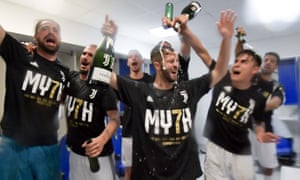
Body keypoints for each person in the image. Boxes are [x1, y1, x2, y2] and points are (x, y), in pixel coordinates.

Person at [103, 9, 236, 179]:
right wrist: (109, 40)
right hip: (150, 174)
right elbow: (103, 72)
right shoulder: (140, 91)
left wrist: (226, 39)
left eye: (177, 61)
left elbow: (220, 72)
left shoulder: (188, 89)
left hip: (184, 173)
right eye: (171, 61)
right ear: (157, 65)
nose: (176, 65)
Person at [121, 17, 193, 180]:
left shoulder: (180, 70)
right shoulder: (152, 84)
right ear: (157, 63)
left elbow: (186, 48)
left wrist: (182, 31)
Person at [0, 19, 69, 179]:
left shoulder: (64, 73)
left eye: (55, 30)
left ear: (60, 39)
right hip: (14, 146)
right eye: (45, 28)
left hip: (49, 148)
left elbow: (65, 99)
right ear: (35, 36)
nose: (51, 32)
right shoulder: (20, 55)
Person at [64, 43, 120, 180]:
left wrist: (102, 140)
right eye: (84, 53)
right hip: (76, 152)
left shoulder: (103, 87)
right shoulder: (71, 78)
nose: (85, 57)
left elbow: (115, 119)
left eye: (90, 55)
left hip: (99, 155)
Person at [235, 27, 285, 180]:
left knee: (268, 166)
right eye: (267, 60)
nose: (268, 63)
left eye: (273, 61)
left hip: (264, 130)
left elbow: (274, 104)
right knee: (243, 166)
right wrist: (240, 38)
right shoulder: (252, 76)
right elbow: (239, 55)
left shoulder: (277, 87)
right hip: (244, 128)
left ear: (276, 67)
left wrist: (248, 102)